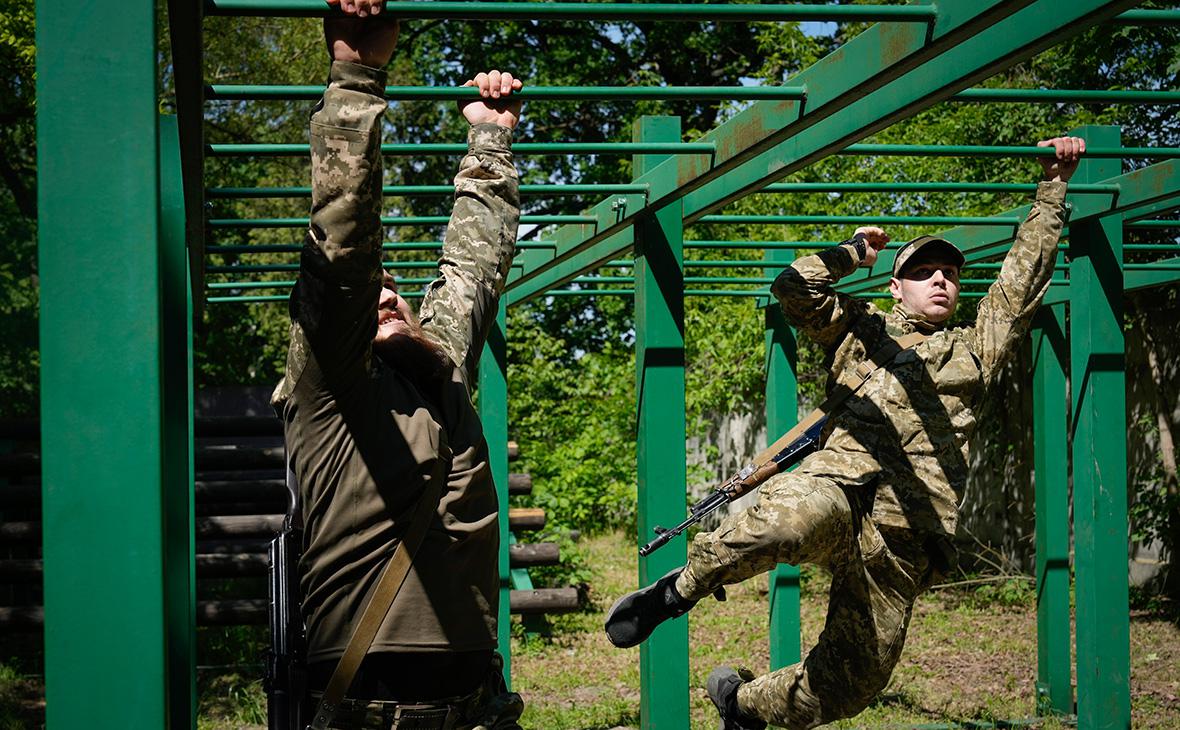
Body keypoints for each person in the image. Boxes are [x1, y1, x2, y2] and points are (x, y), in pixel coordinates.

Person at [605, 137, 1086, 729]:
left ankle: (741, 704)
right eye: (922, 271)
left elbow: (1022, 282)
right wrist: (851, 252)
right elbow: (792, 288)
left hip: (907, 533)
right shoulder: (862, 330)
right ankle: (678, 592)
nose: (940, 280)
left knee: (847, 687)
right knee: (783, 522)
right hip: (840, 486)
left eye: (950, 273)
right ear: (895, 285)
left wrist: (1052, 190)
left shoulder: (976, 349)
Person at [270, 2, 526, 726]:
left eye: (395, 289)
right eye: (370, 292)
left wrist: (490, 138)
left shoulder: (439, 371)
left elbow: (472, 267)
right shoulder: (328, 392)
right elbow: (343, 250)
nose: (384, 292)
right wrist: (355, 75)